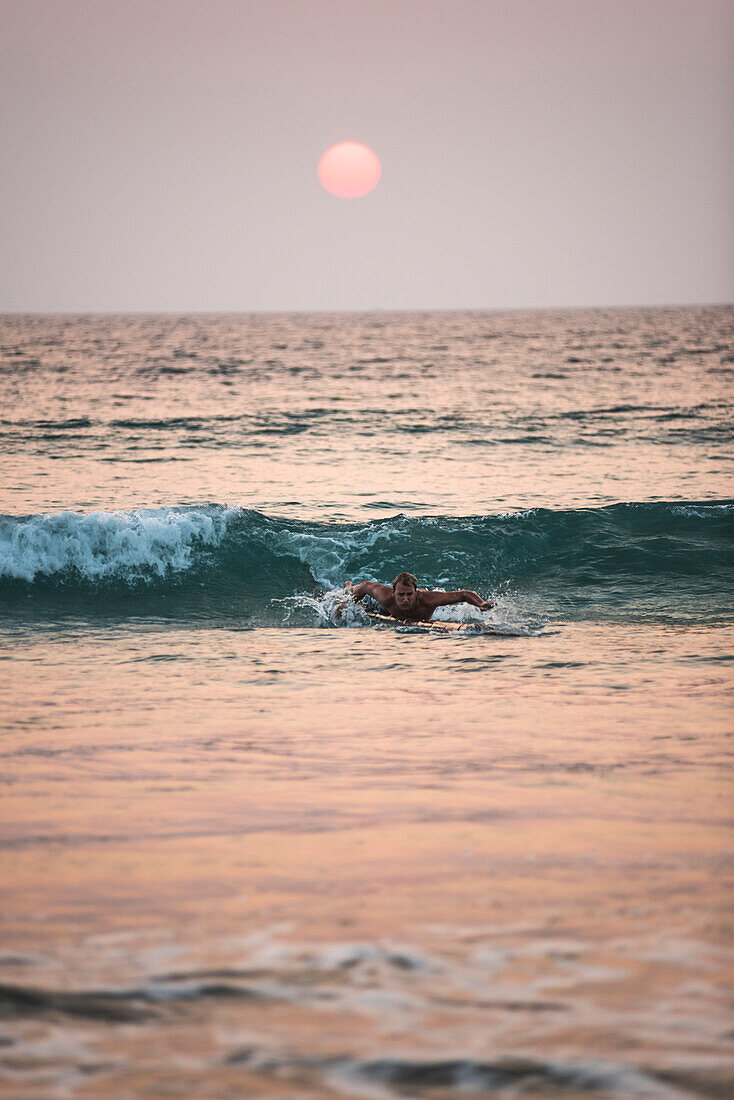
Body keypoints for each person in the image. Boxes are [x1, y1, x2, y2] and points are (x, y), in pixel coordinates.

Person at [342, 571, 495, 622]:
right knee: (351, 592)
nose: (406, 599)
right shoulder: (384, 595)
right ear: (393, 593)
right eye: (401, 595)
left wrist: (480, 604)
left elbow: (464, 594)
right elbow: (365, 586)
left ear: (417, 593)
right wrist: (350, 604)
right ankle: (348, 585)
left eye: (410, 594)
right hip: (382, 609)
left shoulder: (428, 599)